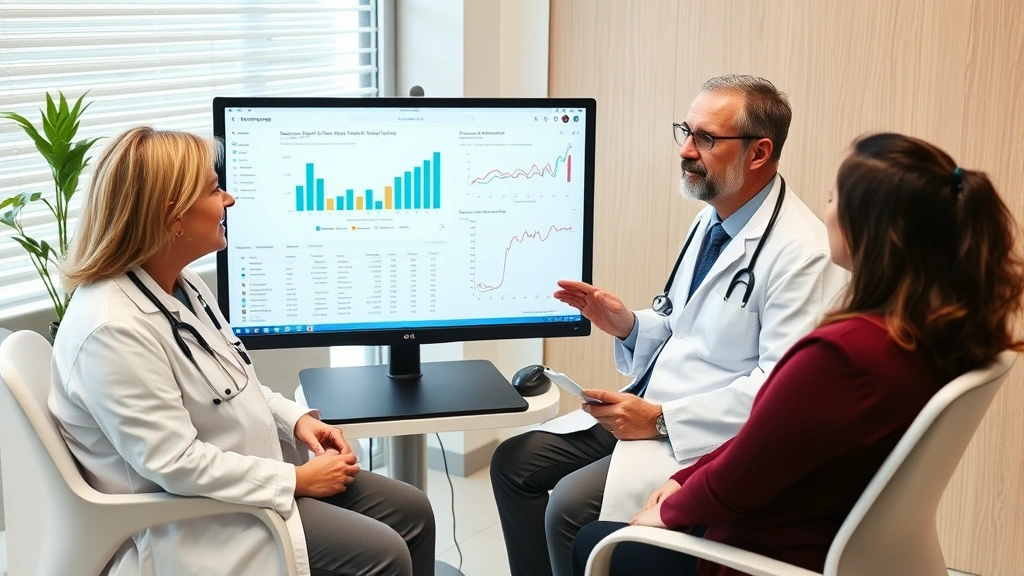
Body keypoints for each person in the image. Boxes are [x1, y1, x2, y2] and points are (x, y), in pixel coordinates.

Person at [570, 132, 1024, 576]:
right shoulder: (934, 333)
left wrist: (669, 511)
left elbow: (745, 475)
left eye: (832, 198)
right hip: (832, 531)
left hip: (772, 551)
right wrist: (685, 480)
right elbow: (769, 439)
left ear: (867, 228)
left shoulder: (844, 354)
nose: (823, 213)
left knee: (595, 541)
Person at [490, 75, 847, 576]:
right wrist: (628, 325)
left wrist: (658, 419)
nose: (685, 150)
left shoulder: (802, 253)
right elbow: (684, 329)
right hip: (651, 403)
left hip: (699, 434)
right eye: (686, 130)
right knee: (515, 463)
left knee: (569, 505)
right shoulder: (714, 218)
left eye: (705, 138)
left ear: (759, 153)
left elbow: (776, 394)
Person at [49, 127, 435, 576]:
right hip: (196, 519)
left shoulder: (178, 286)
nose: (229, 200)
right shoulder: (111, 328)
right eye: (214, 190)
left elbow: (233, 383)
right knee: (383, 553)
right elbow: (175, 463)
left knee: (413, 510)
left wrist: (296, 420)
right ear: (172, 216)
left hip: (245, 477)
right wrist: (294, 479)